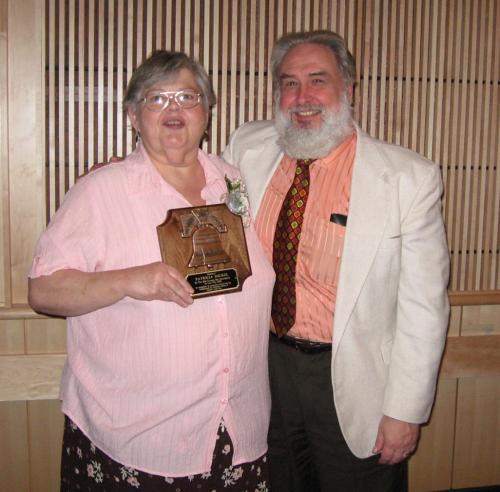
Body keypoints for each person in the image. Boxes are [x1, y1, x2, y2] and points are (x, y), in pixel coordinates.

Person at [28, 50, 274, 491]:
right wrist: (127, 280)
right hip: (138, 437)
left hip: (235, 428)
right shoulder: (102, 190)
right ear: (133, 116)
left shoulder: (233, 182)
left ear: (207, 111)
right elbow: (43, 290)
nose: (174, 108)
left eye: (187, 96)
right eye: (157, 98)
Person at [222, 30, 450, 491]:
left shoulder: (407, 178)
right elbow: (197, 196)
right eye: (289, 83)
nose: (302, 97)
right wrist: (128, 169)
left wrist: (405, 411)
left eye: (317, 80)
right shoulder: (248, 147)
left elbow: (424, 309)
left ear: (349, 90)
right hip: (265, 370)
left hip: (355, 380)